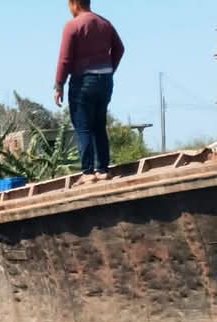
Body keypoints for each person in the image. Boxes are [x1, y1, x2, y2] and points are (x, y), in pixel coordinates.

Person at [54, 0, 124, 186]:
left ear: (75, 3)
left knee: (83, 126)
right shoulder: (104, 23)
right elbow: (119, 48)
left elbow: (65, 59)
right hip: (105, 81)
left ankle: (88, 173)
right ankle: (103, 170)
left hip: (83, 82)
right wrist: (109, 69)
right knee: (99, 125)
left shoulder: (73, 26)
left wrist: (59, 85)